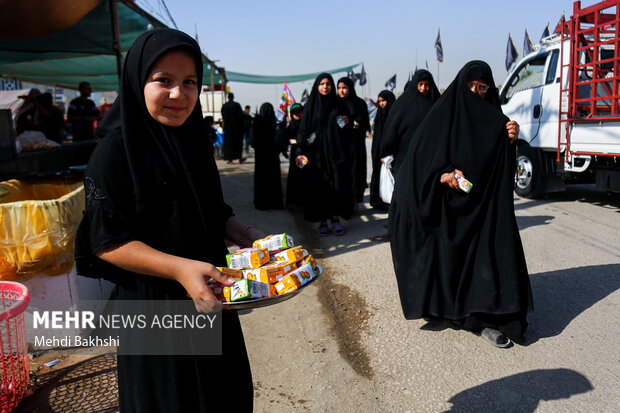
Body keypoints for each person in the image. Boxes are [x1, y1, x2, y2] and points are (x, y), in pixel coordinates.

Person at [75, 29, 263, 412]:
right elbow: (106, 240)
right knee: (172, 400)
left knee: (221, 395)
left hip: (209, 295)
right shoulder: (112, 154)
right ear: (137, 82)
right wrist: (180, 270)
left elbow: (211, 211)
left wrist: (248, 235)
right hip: (153, 306)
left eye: (190, 82)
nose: (179, 94)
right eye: (164, 80)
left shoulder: (194, 141)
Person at [388, 60, 531, 348]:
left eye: (482, 87)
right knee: (452, 263)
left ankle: (485, 318)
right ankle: (460, 311)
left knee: (488, 260)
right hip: (448, 209)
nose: (476, 92)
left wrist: (511, 142)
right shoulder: (442, 117)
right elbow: (418, 168)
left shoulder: (496, 120)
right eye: (471, 87)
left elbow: (501, 169)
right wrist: (444, 177)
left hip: (485, 209)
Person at [296, 73, 354, 236]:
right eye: (322, 84)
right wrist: (301, 150)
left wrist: (346, 121)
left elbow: (345, 127)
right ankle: (322, 221)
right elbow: (303, 130)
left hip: (335, 154)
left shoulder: (338, 105)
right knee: (319, 187)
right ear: (317, 86)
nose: (325, 87)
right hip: (316, 156)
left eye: (328, 84)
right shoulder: (310, 106)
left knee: (336, 186)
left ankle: (335, 219)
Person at [379, 69, 440, 176]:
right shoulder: (402, 104)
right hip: (404, 158)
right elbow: (391, 131)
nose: (423, 88)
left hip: (428, 159)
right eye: (420, 84)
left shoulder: (435, 105)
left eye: (427, 85)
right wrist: (386, 152)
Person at [337, 77, 370, 205]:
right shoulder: (335, 103)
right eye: (339, 88)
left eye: (344, 88)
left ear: (350, 88)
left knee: (356, 171)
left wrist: (355, 123)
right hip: (340, 144)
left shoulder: (359, 103)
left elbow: (363, 122)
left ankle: (355, 199)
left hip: (356, 143)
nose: (341, 91)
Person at [251, 102, 284, 210]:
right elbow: (279, 141)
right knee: (273, 180)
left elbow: (253, 141)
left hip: (261, 157)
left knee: (261, 180)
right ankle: (274, 203)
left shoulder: (256, 123)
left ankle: (261, 203)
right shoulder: (275, 124)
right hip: (273, 157)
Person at [369, 90, 396, 209]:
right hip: (378, 152)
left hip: (391, 154)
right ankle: (379, 199)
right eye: (379, 101)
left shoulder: (395, 115)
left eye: (383, 101)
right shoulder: (379, 115)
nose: (381, 104)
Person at [285, 103, 304, 207]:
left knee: (303, 175)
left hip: (304, 153)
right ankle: (294, 201)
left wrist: (300, 141)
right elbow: (286, 138)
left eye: (299, 112)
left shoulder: (306, 124)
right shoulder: (291, 125)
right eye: (295, 112)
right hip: (295, 153)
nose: (297, 114)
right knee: (294, 175)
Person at [221, 93, 245, 164]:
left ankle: (230, 159)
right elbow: (241, 115)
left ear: (228, 97)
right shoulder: (237, 105)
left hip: (228, 128)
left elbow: (223, 115)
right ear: (233, 97)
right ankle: (240, 158)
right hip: (237, 128)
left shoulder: (224, 106)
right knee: (237, 143)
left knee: (229, 144)